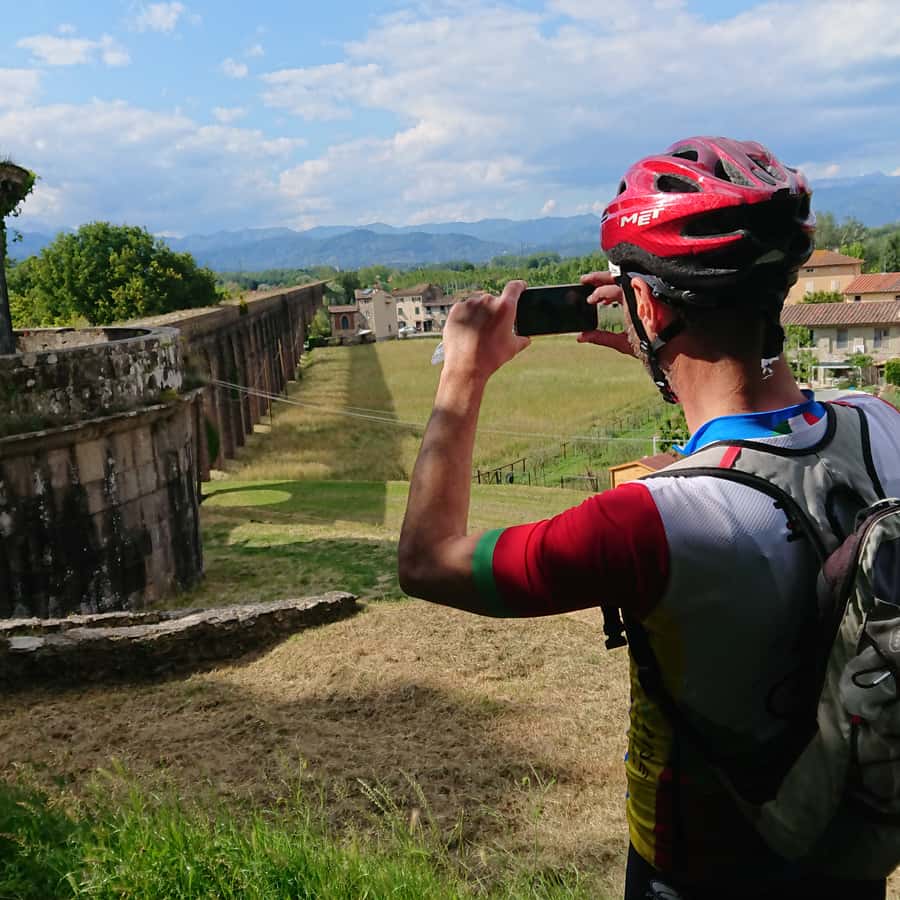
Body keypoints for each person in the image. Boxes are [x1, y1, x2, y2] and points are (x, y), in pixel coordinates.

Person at [397, 136, 900, 899]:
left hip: (696, 873)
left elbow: (428, 561)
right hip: (844, 852)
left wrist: (463, 374)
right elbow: (776, 453)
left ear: (650, 304)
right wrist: (668, 352)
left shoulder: (649, 523)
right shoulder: (884, 426)